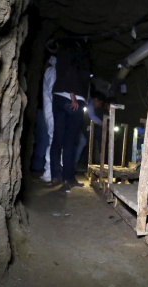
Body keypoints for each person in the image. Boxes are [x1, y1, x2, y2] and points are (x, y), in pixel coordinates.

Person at [50, 39, 91, 191]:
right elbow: (71, 73)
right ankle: (68, 178)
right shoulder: (76, 57)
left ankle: (56, 176)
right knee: (70, 142)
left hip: (58, 98)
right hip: (73, 100)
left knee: (57, 138)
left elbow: (64, 72)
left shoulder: (62, 55)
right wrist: (73, 96)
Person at [40, 55, 57, 183]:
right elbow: (52, 92)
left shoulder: (50, 71)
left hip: (50, 110)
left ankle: (51, 172)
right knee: (54, 140)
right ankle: (49, 173)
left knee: (54, 140)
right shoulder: (52, 71)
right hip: (53, 111)